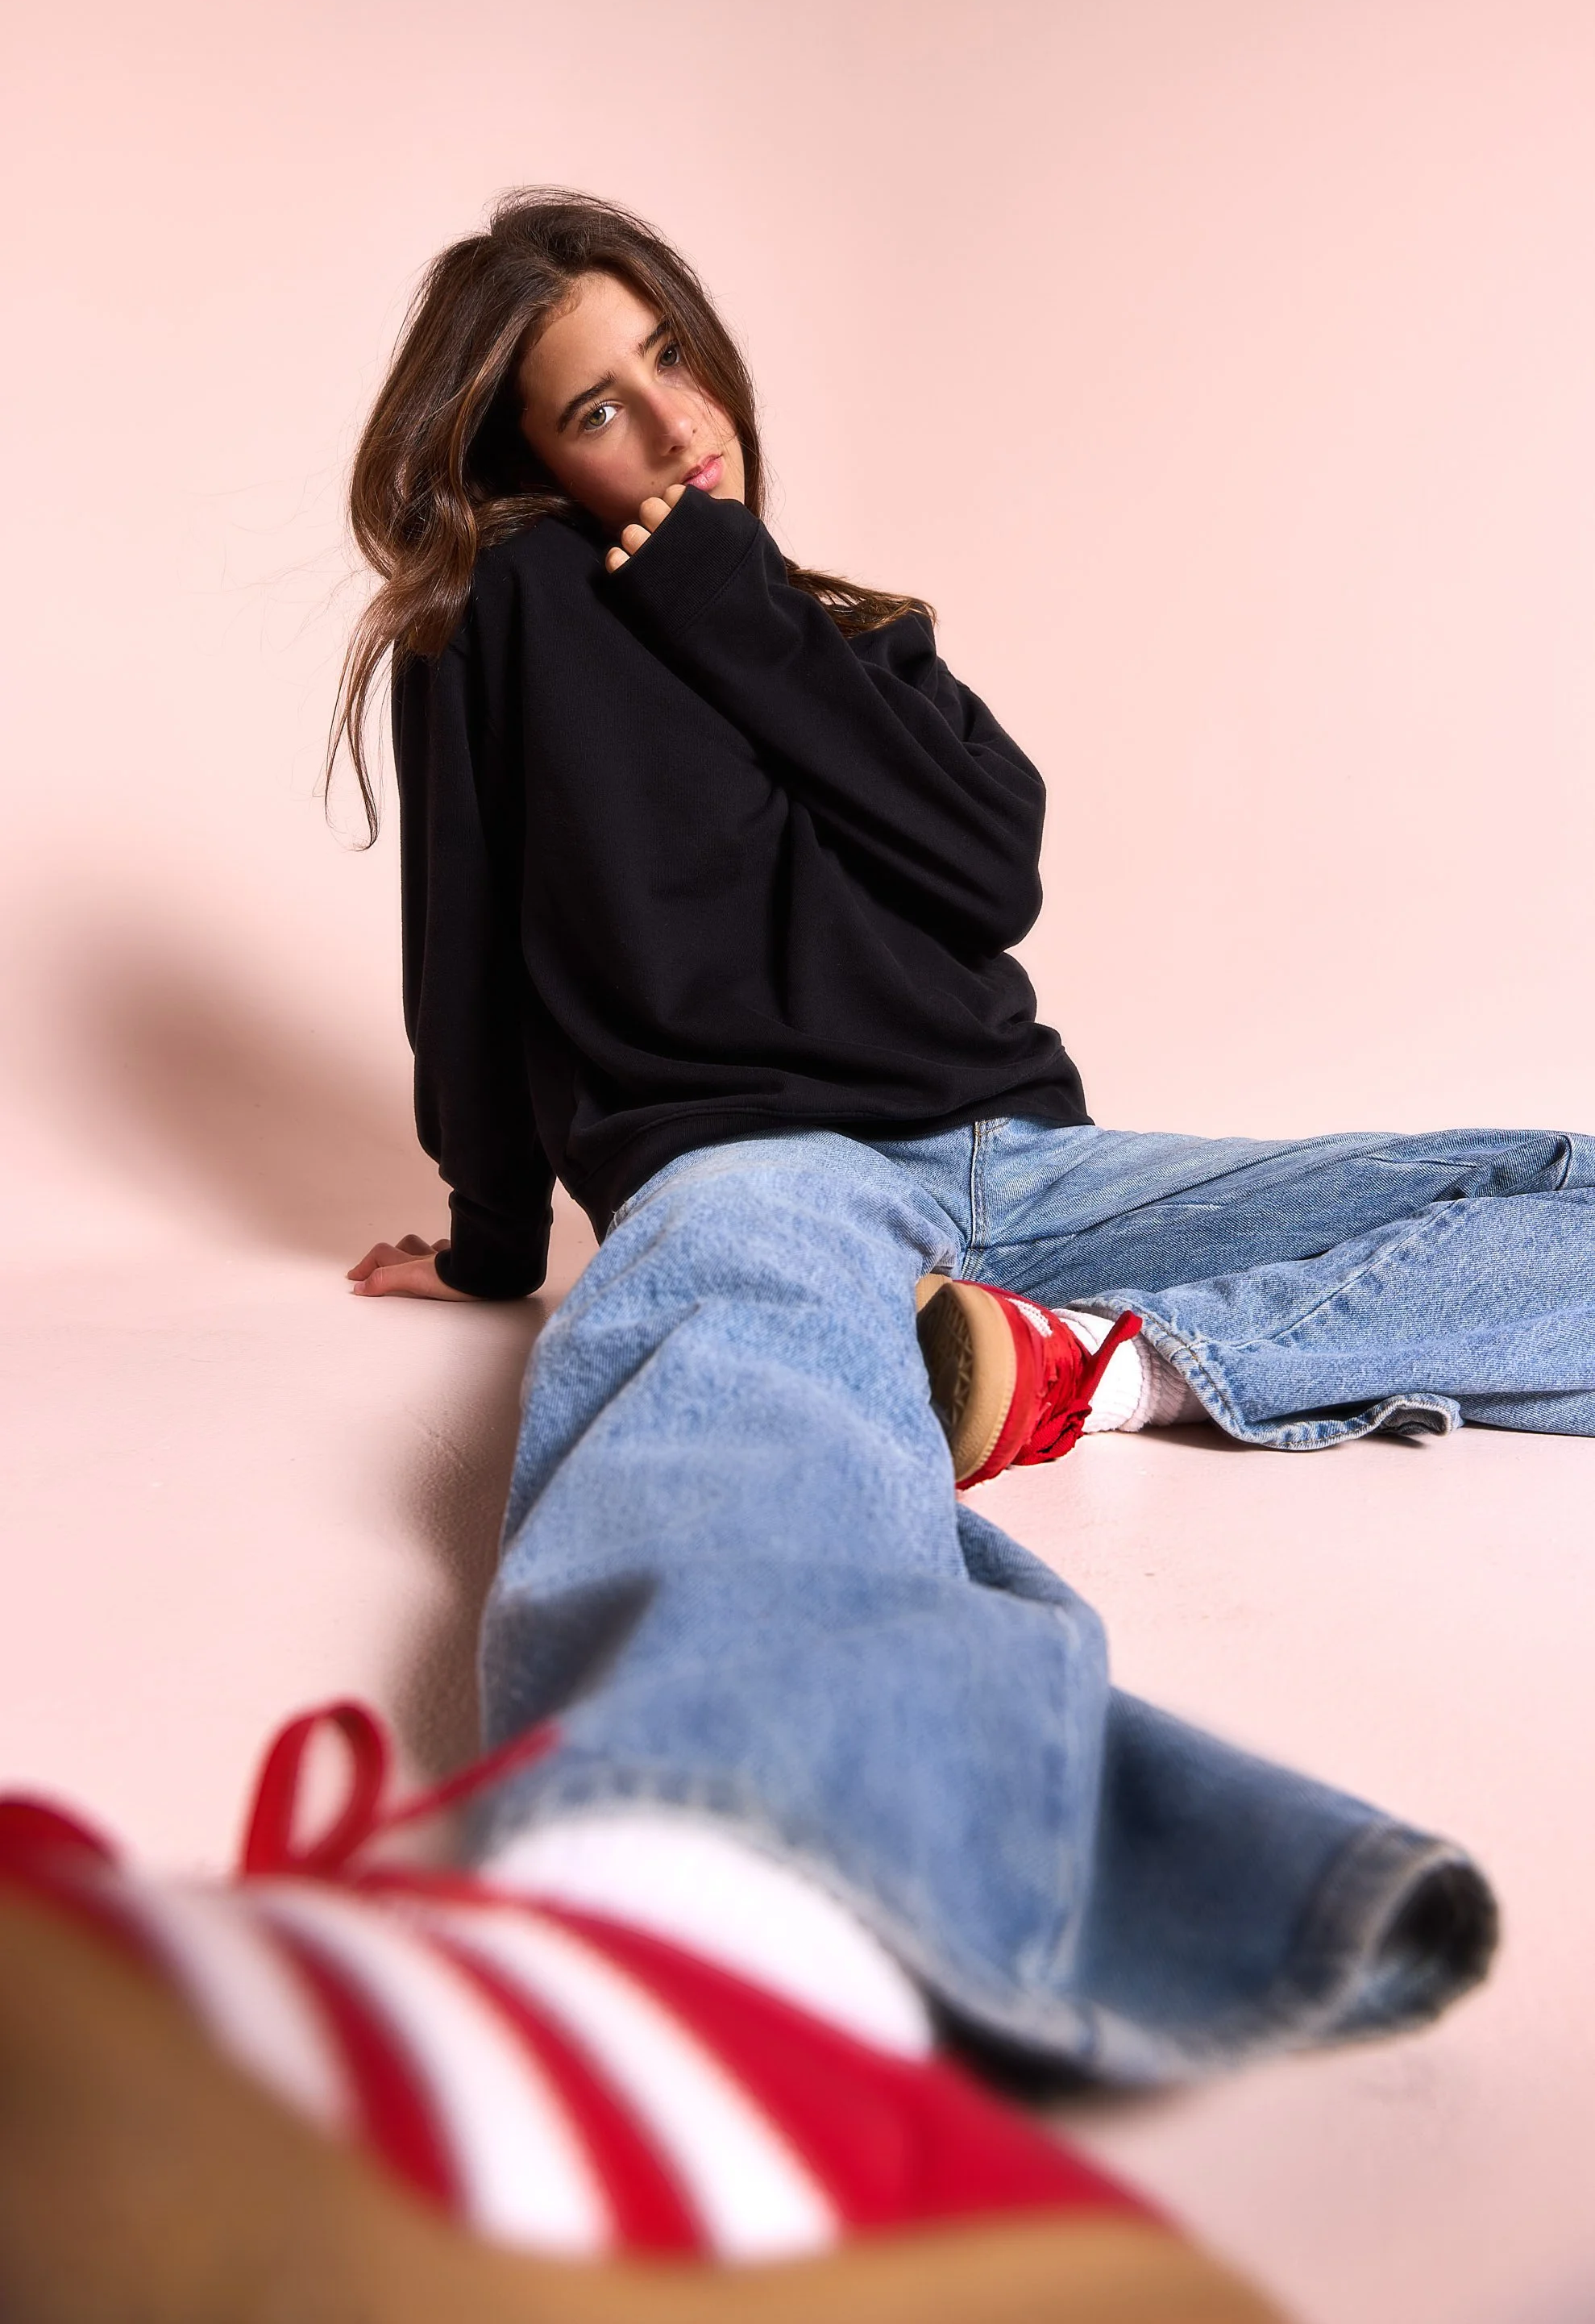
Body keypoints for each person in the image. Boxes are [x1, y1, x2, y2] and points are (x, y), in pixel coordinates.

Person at [2, 185, 1544, 2317]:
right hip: (751, 1161)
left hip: (1023, 1160)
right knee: (725, 1374)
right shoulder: (509, 617)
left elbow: (986, 877)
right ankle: (689, 1957)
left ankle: (1117, 1362)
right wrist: (477, 1234)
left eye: (673, 369)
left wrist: (748, 611)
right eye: (595, 411)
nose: (663, 429)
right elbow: (464, 975)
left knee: (1535, 1174)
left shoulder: (857, 627)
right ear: (530, 459)